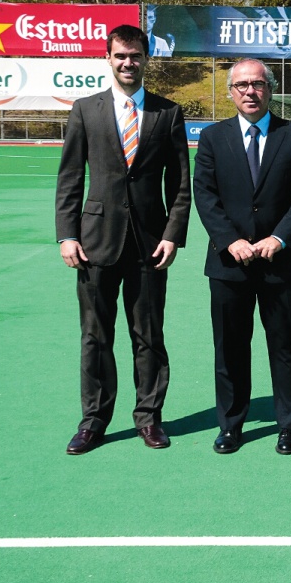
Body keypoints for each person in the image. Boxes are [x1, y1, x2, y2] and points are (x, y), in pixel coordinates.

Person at [55, 24, 191, 455]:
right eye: (120, 56)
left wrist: (173, 235)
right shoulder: (85, 109)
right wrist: (66, 235)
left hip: (150, 245)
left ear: (146, 59)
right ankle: (93, 420)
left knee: (148, 336)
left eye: (135, 56)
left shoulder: (168, 113)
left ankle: (149, 418)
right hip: (95, 243)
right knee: (95, 337)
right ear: (108, 58)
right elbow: (70, 178)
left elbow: (181, 184)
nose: (128, 63)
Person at [193, 58, 291, 456]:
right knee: (230, 348)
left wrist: (279, 238)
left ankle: (290, 425)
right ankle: (231, 426)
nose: (251, 91)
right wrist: (230, 241)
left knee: (287, 347)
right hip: (230, 265)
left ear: (270, 89)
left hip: (281, 262)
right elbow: (206, 195)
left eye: (259, 84)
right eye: (242, 85)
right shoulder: (213, 138)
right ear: (231, 91)